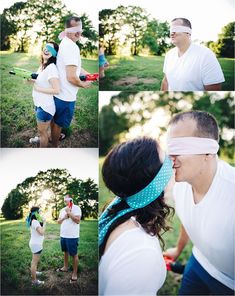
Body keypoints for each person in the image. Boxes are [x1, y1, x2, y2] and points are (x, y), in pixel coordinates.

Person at [165, 111, 235, 295]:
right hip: (198, 263)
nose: (170, 156)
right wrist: (178, 249)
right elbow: (189, 219)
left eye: (180, 146)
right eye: (169, 147)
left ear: (208, 150)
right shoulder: (182, 186)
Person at [99, 137, 175, 295]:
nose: (173, 161)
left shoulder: (123, 211)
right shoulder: (140, 252)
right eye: (166, 159)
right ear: (155, 184)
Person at [51, 16, 92, 148]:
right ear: (67, 29)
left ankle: (53, 137)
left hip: (58, 92)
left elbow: (70, 67)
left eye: (80, 29)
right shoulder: (72, 47)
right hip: (66, 95)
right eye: (75, 29)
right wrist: (83, 84)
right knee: (59, 123)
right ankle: (54, 146)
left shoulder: (64, 42)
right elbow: (71, 77)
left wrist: (86, 74)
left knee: (55, 119)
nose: (79, 32)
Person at [161, 18, 225, 91]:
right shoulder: (169, 54)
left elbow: (214, 90)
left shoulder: (205, 55)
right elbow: (166, 81)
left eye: (176, 29)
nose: (172, 33)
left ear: (188, 32)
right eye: (171, 30)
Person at [29, 42, 60, 147]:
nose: (47, 50)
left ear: (54, 54)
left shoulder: (51, 68)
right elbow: (41, 81)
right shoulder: (43, 66)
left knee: (43, 133)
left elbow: (56, 90)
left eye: (50, 49)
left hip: (45, 107)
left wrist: (38, 88)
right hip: (39, 104)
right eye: (46, 48)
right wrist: (31, 81)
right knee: (42, 131)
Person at [57, 195, 82, 283]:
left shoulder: (76, 208)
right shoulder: (61, 210)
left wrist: (69, 212)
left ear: (71, 200)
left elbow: (77, 220)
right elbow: (58, 221)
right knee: (65, 252)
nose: (65, 201)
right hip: (63, 235)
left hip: (72, 236)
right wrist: (64, 216)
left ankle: (74, 273)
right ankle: (65, 267)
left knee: (74, 254)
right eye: (64, 200)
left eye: (67, 200)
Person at [26, 206, 46, 285]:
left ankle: (34, 272)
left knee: (34, 261)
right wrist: (45, 223)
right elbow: (41, 232)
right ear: (37, 213)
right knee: (34, 262)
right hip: (36, 245)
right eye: (39, 212)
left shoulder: (33, 221)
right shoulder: (35, 222)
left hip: (35, 244)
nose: (40, 214)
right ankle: (34, 281)